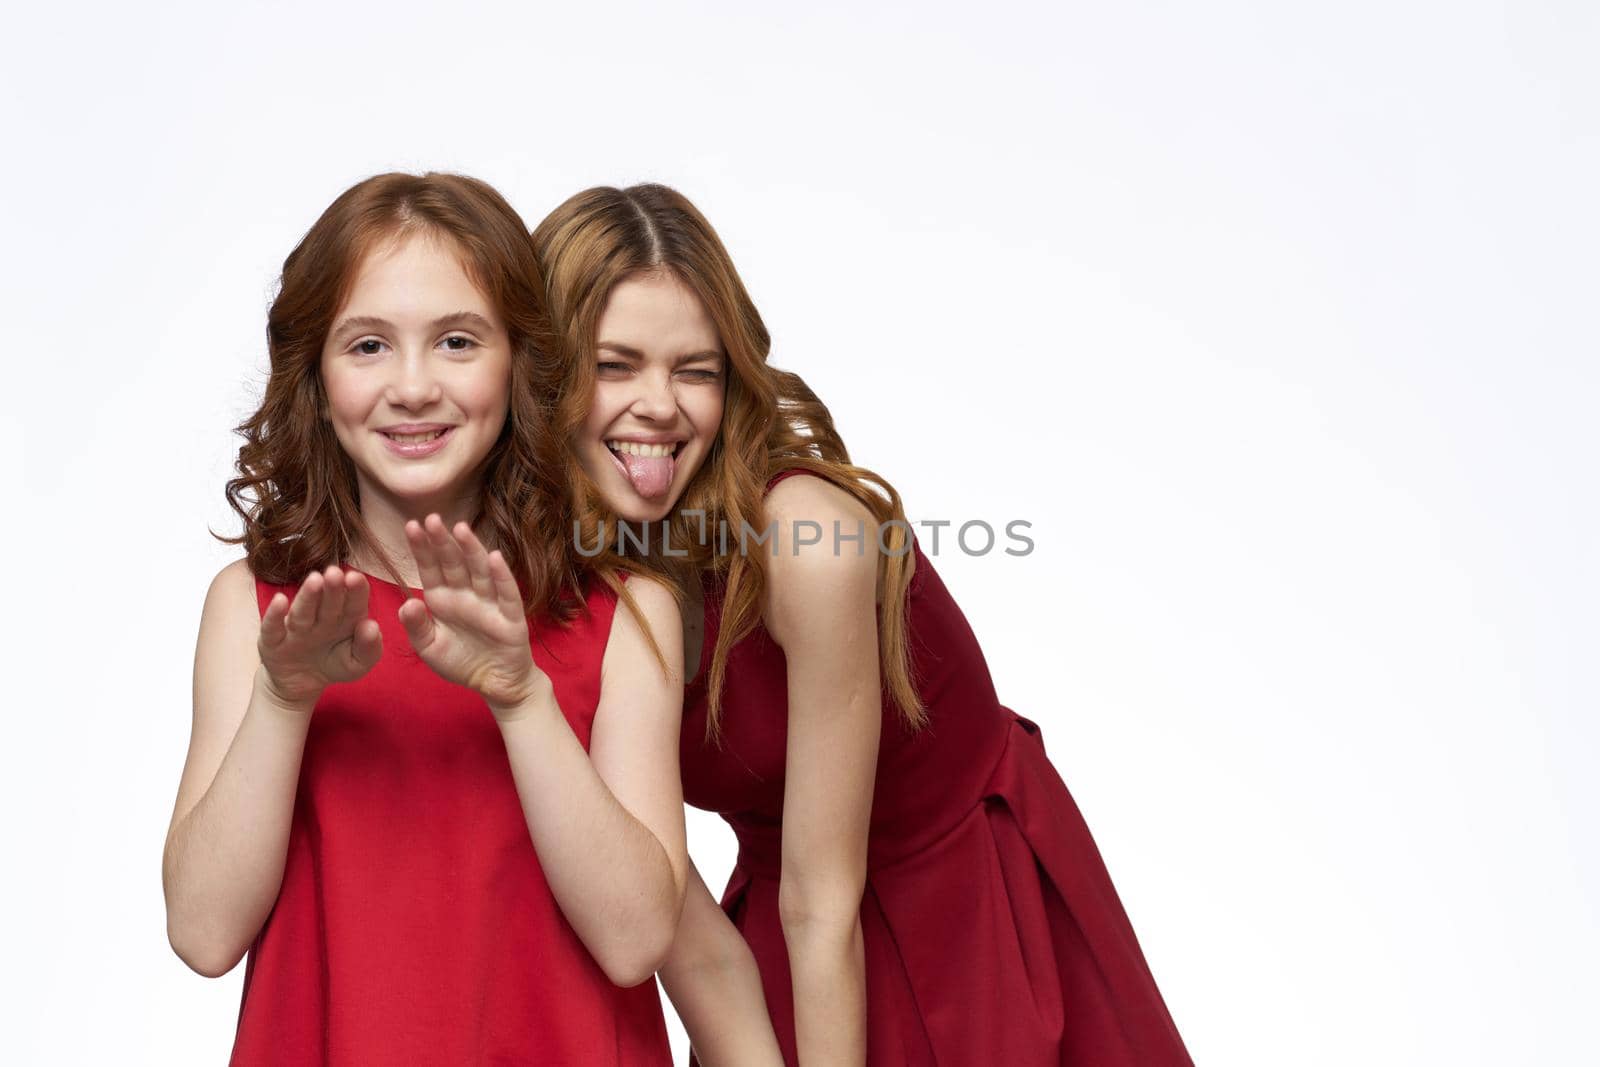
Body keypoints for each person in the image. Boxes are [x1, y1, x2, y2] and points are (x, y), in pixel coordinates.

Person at [532, 183, 1195, 1066]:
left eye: (697, 369)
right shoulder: (570, 580)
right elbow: (667, 896)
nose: (662, 405)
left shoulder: (810, 540)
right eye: (616, 365)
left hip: (964, 910)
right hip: (785, 916)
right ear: (549, 370)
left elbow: (822, 899)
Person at [162, 172, 686, 1065]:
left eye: (455, 341)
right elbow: (204, 934)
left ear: (521, 364)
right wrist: (282, 701)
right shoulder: (251, 608)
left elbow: (636, 940)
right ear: (317, 382)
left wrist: (522, 699)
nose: (411, 387)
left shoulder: (627, 612)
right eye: (368, 345)